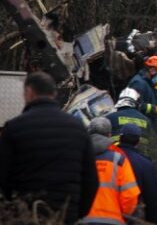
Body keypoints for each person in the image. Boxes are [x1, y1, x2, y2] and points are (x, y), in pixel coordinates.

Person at [0, 72, 99, 225]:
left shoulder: (14, 128)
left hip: (26, 214)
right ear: (54, 94)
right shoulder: (78, 128)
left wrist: (13, 208)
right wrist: (76, 213)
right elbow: (91, 180)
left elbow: (3, 176)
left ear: (29, 92)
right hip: (65, 214)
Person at [83, 117, 140, 224]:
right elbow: (130, 195)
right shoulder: (118, 160)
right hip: (113, 220)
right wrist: (125, 216)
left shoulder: (79, 158)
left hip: (83, 220)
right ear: (109, 135)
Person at [117, 124, 157, 224]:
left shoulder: (107, 158)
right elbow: (153, 197)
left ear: (120, 138)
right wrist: (153, 220)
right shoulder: (146, 164)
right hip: (132, 218)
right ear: (138, 141)